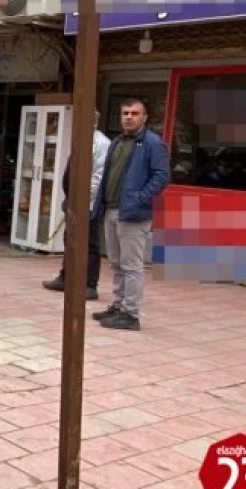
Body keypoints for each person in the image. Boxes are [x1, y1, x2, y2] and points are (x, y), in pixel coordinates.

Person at [92, 98, 170, 331]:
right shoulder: (117, 142)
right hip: (112, 209)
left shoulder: (152, 144)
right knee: (116, 262)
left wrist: (140, 198)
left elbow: (161, 176)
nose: (129, 117)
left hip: (134, 214)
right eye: (125, 113)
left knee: (131, 265)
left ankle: (131, 313)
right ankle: (118, 305)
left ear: (144, 118)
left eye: (135, 113)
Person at [42, 109, 111, 300]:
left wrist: (82, 198)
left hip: (88, 203)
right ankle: (66, 277)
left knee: (89, 244)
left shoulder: (101, 143)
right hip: (73, 200)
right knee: (70, 239)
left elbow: (98, 177)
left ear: (94, 122)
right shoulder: (80, 139)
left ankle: (89, 284)